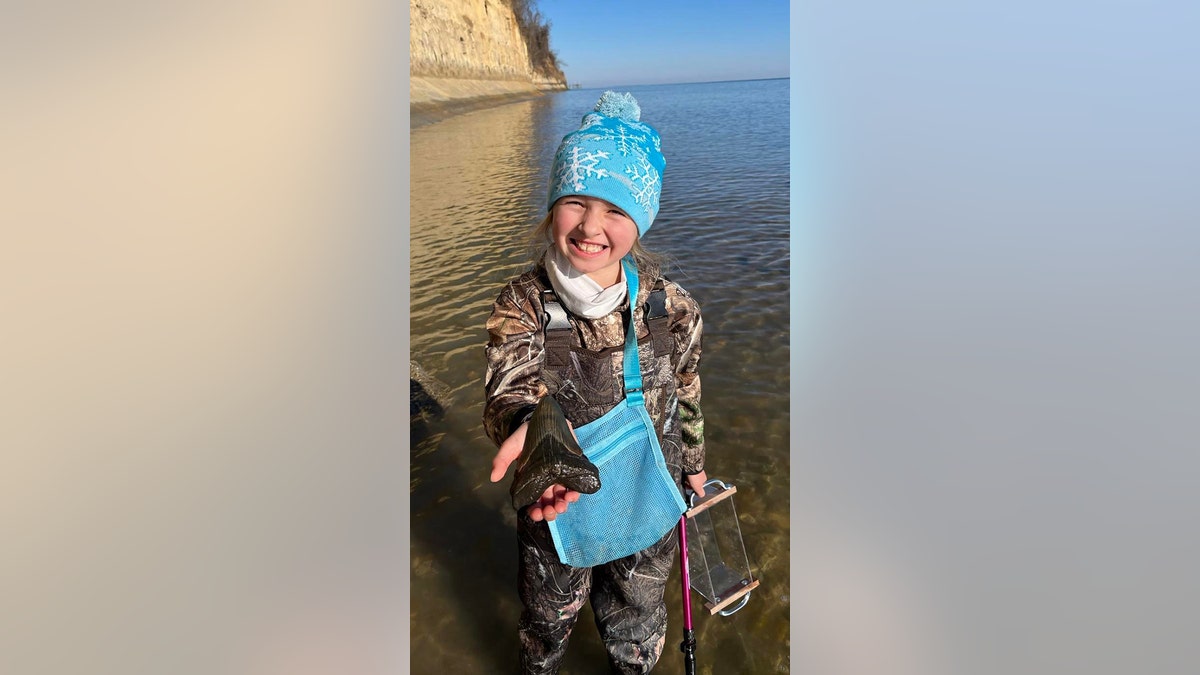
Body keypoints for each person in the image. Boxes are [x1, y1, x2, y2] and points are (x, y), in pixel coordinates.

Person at [483, 91, 709, 674]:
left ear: (642, 217)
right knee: (545, 624)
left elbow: (686, 386)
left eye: (615, 209)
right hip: (553, 505)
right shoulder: (524, 304)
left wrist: (695, 466)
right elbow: (510, 387)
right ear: (553, 204)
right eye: (575, 202)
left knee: (636, 622)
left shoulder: (670, 307)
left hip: (648, 500)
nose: (590, 226)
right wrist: (528, 430)